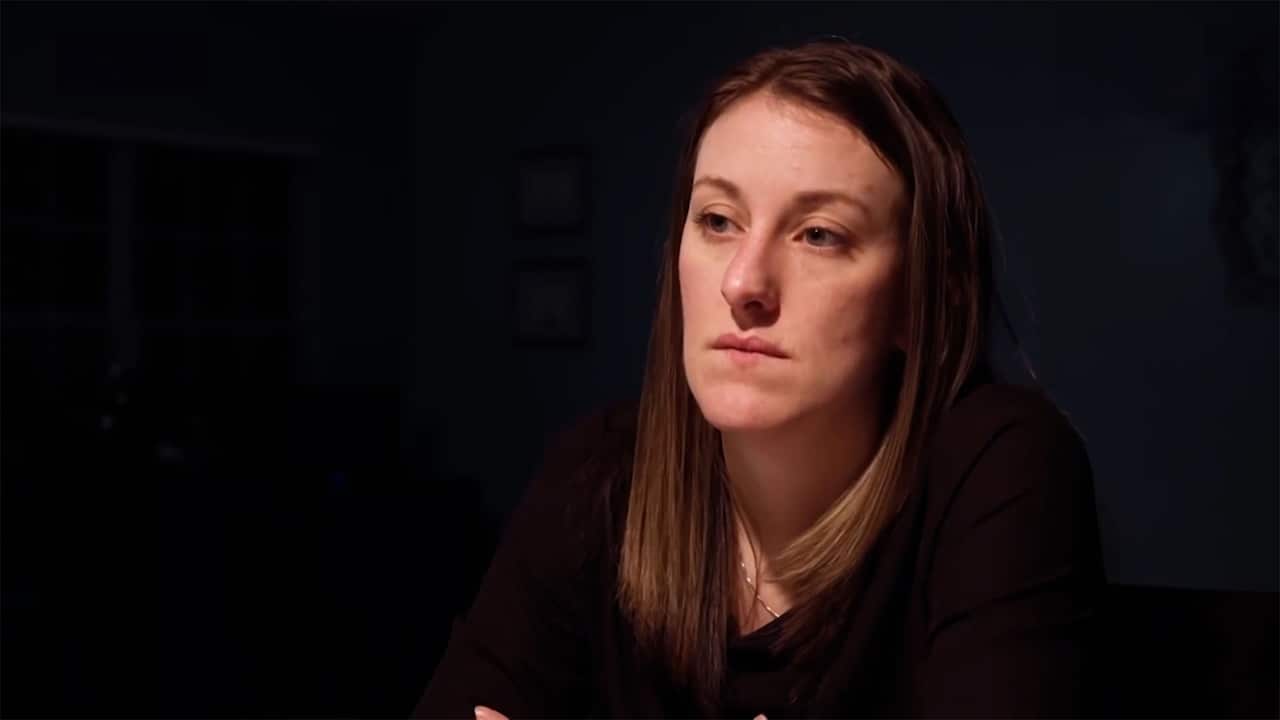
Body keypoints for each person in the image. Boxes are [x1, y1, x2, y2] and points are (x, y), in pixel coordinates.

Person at [412, 37, 1105, 719]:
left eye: (819, 234)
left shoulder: (998, 465)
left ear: (922, 300)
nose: (745, 283)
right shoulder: (599, 474)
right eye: (718, 220)